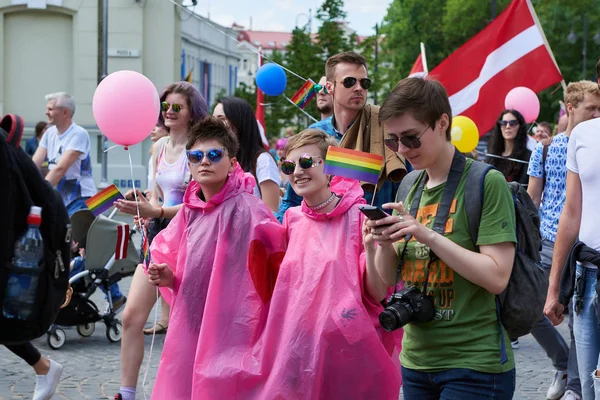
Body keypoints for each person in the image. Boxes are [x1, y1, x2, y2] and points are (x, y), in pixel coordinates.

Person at [368, 77, 517, 399]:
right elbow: (384, 283)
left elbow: (497, 277)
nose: (403, 150)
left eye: (411, 138)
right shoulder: (409, 184)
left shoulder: (485, 182)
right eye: (393, 141)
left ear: (442, 123)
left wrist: (428, 236)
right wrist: (380, 243)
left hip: (474, 365)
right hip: (416, 362)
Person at [253, 129, 401, 399]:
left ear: (331, 167)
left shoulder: (359, 217)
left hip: (348, 354)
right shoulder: (292, 220)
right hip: (299, 350)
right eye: (289, 165)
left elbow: (378, 294)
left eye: (307, 162)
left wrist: (370, 246)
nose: (297, 171)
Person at [146, 117, 286, 399]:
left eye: (214, 155)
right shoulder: (190, 210)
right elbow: (182, 267)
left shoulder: (249, 210)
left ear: (233, 163)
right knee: (185, 383)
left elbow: (275, 270)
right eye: (196, 156)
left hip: (235, 327)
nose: (204, 162)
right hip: (192, 320)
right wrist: (168, 276)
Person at [113, 81, 209, 400]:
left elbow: (201, 201)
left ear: (192, 112)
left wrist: (157, 209)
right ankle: (127, 393)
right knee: (131, 317)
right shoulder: (159, 146)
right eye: (164, 106)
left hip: (191, 242)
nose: (168, 112)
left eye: (176, 107)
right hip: (157, 240)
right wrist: (144, 207)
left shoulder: (199, 149)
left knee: (189, 328)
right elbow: (155, 192)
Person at [527, 81, 600, 400]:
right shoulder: (556, 144)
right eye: (591, 107)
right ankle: (565, 369)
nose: (595, 113)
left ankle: (571, 382)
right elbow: (538, 198)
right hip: (555, 247)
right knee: (533, 309)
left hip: (580, 252)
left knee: (578, 328)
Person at [277, 51, 406, 222]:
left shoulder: (386, 128)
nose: (359, 88)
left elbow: (407, 187)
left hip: (376, 235)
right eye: (350, 81)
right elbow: (293, 199)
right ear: (329, 87)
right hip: (325, 236)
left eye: (364, 82)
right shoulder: (316, 134)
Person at [32, 92, 97, 217]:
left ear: (65, 112)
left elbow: (60, 169)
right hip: (59, 198)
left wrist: (39, 191)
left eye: (50, 109)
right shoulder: (49, 133)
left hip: (80, 199)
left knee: (70, 235)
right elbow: (33, 164)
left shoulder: (79, 134)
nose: (46, 112)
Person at [213, 97, 281, 212]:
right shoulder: (217, 158)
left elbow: (271, 214)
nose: (214, 125)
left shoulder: (262, 161)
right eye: (213, 120)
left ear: (239, 121)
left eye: (221, 119)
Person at [486, 109, 532, 186]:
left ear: (520, 127)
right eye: (504, 123)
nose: (507, 126)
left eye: (512, 123)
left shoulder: (528, 156)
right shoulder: (492, 155)